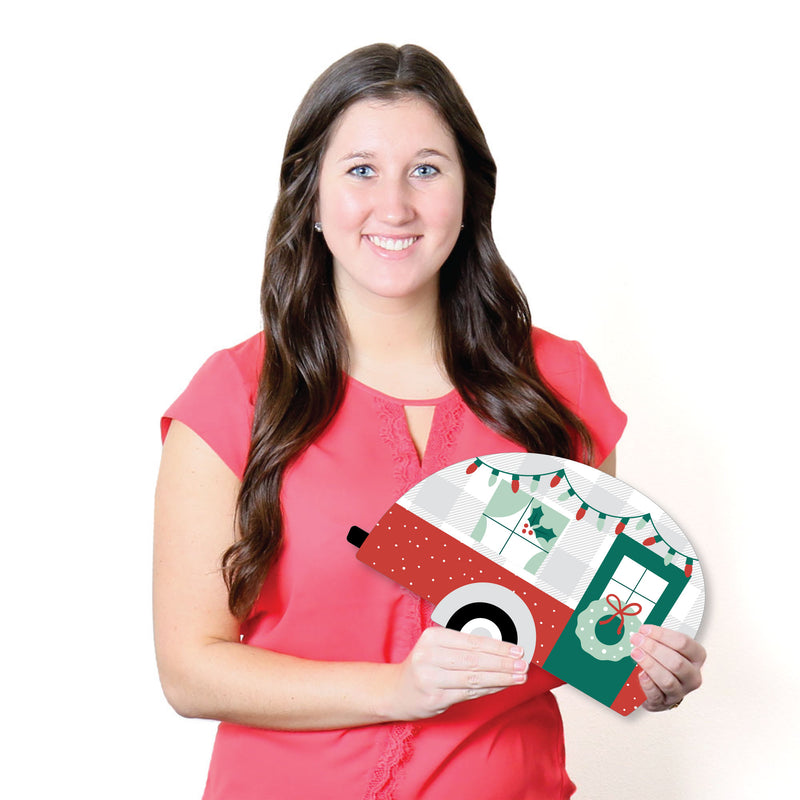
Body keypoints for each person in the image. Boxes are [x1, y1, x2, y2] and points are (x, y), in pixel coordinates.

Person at [154, 43, 705, 799]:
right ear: (310, 196)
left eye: (426, 169)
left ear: (469, 193)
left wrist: (645, 669)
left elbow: (584, 635)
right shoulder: (235, 396)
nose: (395, 206)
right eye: (360, 170)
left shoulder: (557, 387)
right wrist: (397, 689)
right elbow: (189, 670)